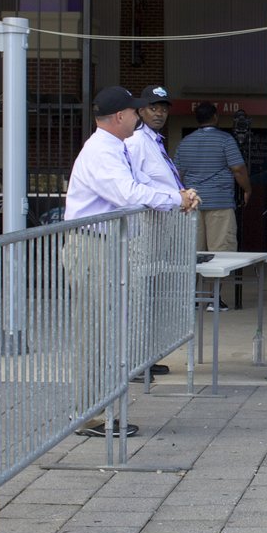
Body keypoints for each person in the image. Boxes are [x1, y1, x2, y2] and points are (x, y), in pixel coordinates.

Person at [65, 86, 198, 431]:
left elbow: (138, 184)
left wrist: (176, 195)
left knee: (106, 330)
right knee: (96, 331)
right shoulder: (101, 151)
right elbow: (129, 193)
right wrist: (176, 199)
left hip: (104, 245)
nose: (140, 116)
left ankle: (98, 409)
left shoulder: (115, 148)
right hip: (93, 246)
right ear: (121, 116)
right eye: (136, 111)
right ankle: (89, 413)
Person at [124, 84, 196, 379]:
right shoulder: (136, 142)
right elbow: (134, 187)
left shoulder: (155, 142)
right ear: (141, 110)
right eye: (153, 107)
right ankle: (133, 360)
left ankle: (146, 355)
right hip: (143, 229)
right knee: (138, 294)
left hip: (159, 227)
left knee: (150, 293)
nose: (159, 113)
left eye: (164, 108)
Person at [174, 102, 252, 310]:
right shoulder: (225, 140)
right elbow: (238, 169)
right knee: (219, 252)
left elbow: (178, 175)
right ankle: (212, 298)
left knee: (194, 252)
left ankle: (193, 297)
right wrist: (247, 189)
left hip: (192, 205)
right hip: (220, 202)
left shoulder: (185, 142)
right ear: (216, 117)